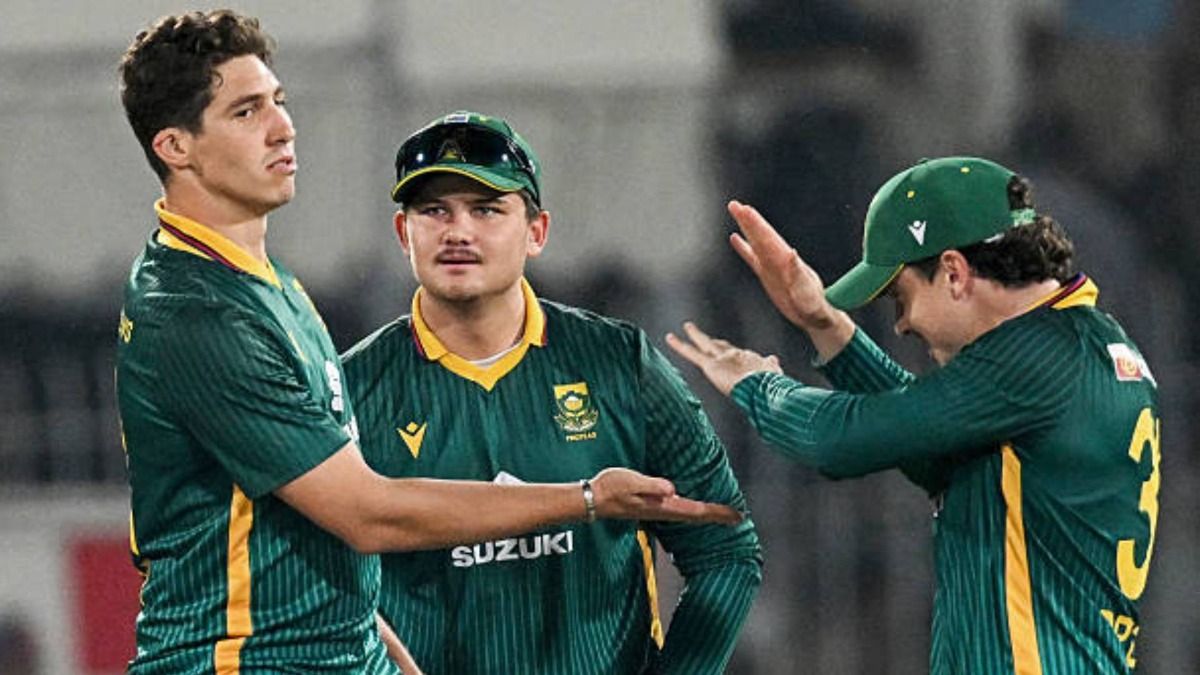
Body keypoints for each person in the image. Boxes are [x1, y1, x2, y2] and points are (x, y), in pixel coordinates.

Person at [113, 12, 740, 674]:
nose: (282, 127)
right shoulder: (197, 314)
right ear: (176, 147)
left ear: (537, 229)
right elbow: (366, 515)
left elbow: (314, 533)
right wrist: (587, 497)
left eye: (279, 101)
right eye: (245, 112)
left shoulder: (260, 284)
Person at [668, 157, 1161, 673]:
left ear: (953, 271)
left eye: (900, 297)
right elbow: (927, 440)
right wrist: (827, 327)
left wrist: (756, 384)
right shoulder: (1088, 345)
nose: (901, 325)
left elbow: (836, 441)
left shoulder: (1035, 356)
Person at [341, 111, 763, 674]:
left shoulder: (618, 364)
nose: (457, 231)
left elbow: (727, 549)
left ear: (536, 231)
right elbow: (316, 588)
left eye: (487, 209)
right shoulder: (352, 390)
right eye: (434, 210)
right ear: (403, 233)